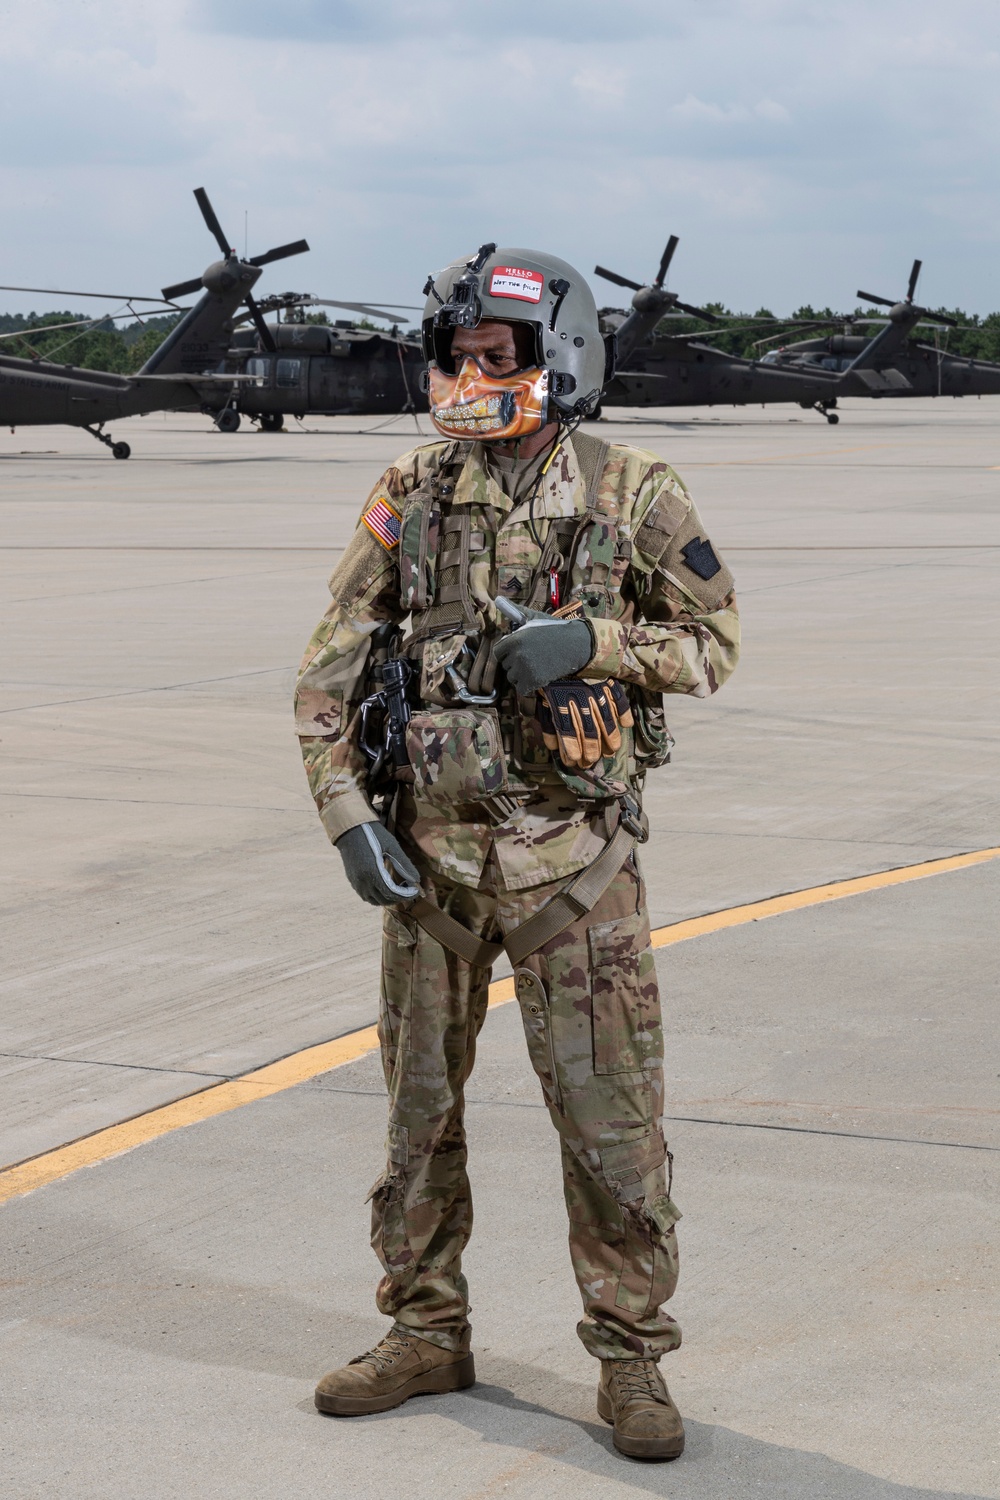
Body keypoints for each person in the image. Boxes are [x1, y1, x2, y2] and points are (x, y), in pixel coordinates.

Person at [295, 244, 739, 1460]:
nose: (472, 377)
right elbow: (328, 669)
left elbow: (713, 644)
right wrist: (347, 816)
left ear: (561, 357)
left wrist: (590, 643)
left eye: (497, 357)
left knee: (610, 1126)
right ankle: (425, 1328)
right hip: (428, 873)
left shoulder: (630, 488)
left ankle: (634, 1359)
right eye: (455, 358)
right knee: (414, 1122)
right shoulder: (409, 489)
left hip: (575, 873)